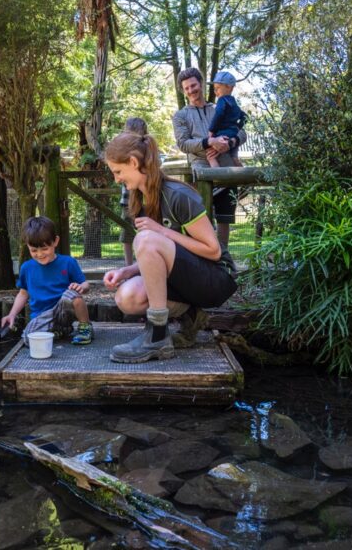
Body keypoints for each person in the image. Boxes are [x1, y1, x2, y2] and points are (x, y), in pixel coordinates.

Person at [102, 133, 237, 363]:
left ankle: (157, 336)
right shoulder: (139, 200)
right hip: (186, 279)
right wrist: (128, 271)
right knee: (127, 297)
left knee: (146, 238)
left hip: (216, 278)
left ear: (134, 163)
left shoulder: (177, 195)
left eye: (118, 171)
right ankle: (191, 314)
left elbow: (213, 251)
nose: (116, 179)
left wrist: (161, 231)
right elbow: (156, 255)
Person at [171, 67, 247, 249]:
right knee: (201, 218)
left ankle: (224, 259)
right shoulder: (180, 116)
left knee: (224, 218)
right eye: (187, 88)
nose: (191, 90)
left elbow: (242, 132)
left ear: (201, 85)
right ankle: (206, 261)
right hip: (201, 173)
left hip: (225, 169)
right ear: (183, 91)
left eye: (194, 85)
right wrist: (209, 142)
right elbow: (183, 144)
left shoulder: (220, 106)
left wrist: (230, 143)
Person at [1, 216, 94, 345]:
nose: (40, 254)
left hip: (63, 309)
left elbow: (85, 284)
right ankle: (57, 332)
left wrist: (81, 287)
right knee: (28, 339)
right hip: (42, 315)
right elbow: (23, 293)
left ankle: (85, 328)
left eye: (44, 249)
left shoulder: (68, 262)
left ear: (55, 241)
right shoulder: (27, 268)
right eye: (34, 250)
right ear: (27, 246)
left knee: (72, 294)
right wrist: (11, 315)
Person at [118, 117, 149, 266]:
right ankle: (129, 266)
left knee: (146, 232)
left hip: (145, 200)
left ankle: (143, 265)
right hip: (128, 200)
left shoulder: (148, 149)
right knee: (127, 233)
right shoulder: (122, 151)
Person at [206, 71, 245, 169]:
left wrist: (211, 130)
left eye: (217, 88)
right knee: (234, 155)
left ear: (228, 87)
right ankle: (235, 159)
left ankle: (218, 173)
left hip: (222, 134)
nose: (215, 92)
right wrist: (237, 128)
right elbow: (244, 117)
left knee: (210, 155)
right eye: (214, 89)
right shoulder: (234, 103)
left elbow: (218, 114)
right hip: (233, 133)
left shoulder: (222, 100)